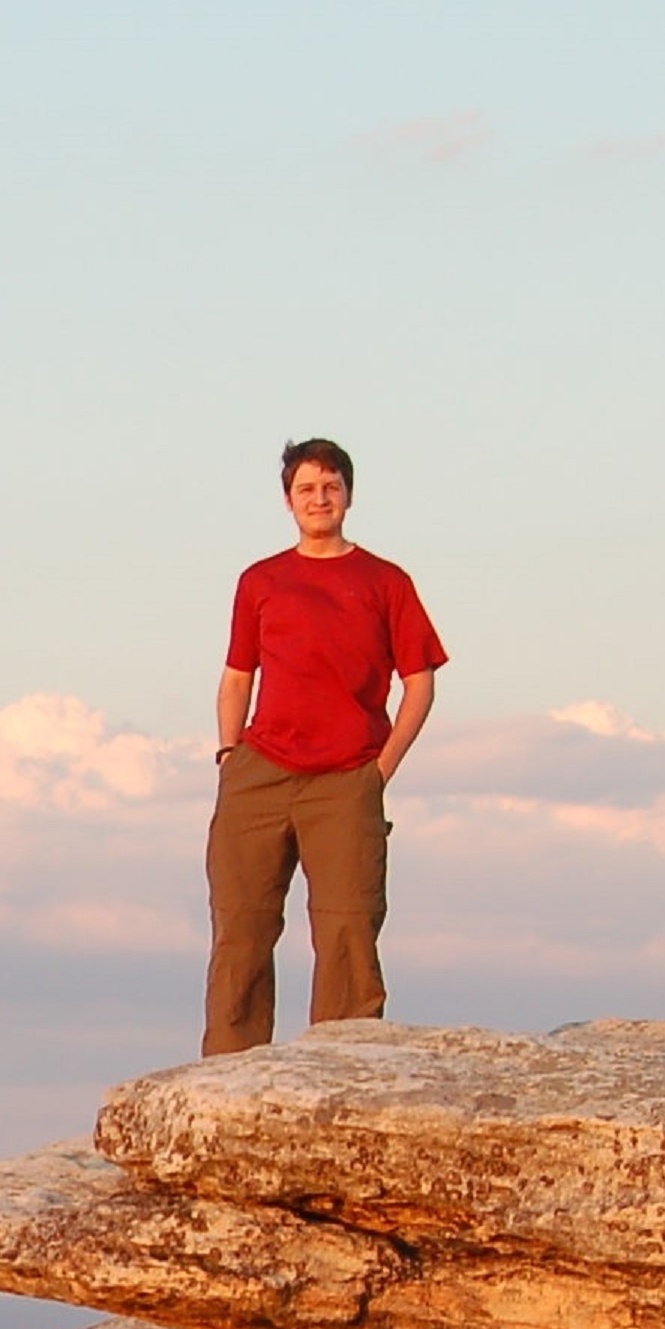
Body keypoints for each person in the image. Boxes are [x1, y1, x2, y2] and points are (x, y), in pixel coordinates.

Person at [204, 438, 444, 1056]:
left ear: (349, 496)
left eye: (330, 487)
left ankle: (342, 1074)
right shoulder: (261, 580)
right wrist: (230, 756)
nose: (320, 498)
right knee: (242, 931)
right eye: (306, 489)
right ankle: (228, 1076)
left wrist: (379, 772)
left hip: (348, 779)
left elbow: (420, 683)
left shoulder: (386, 582)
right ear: (289, 501)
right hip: (260, 774)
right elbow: (237, 676)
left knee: (348, 934)